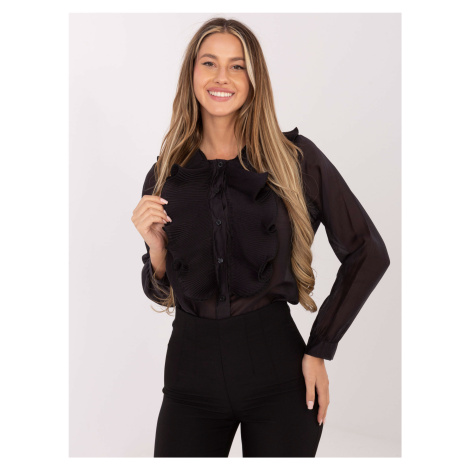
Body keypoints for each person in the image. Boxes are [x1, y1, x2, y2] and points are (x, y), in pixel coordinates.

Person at [131, 17, 390, 458]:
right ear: (191, 73)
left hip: (278, 373)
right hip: (189, 375)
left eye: (237, 66)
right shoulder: (165, 174)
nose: (222, 77)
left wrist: (320, 348)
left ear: (254, 79)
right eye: (209, 63)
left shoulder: (296, 159)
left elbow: (368, 251)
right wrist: (156, 250)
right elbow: (164, 290)